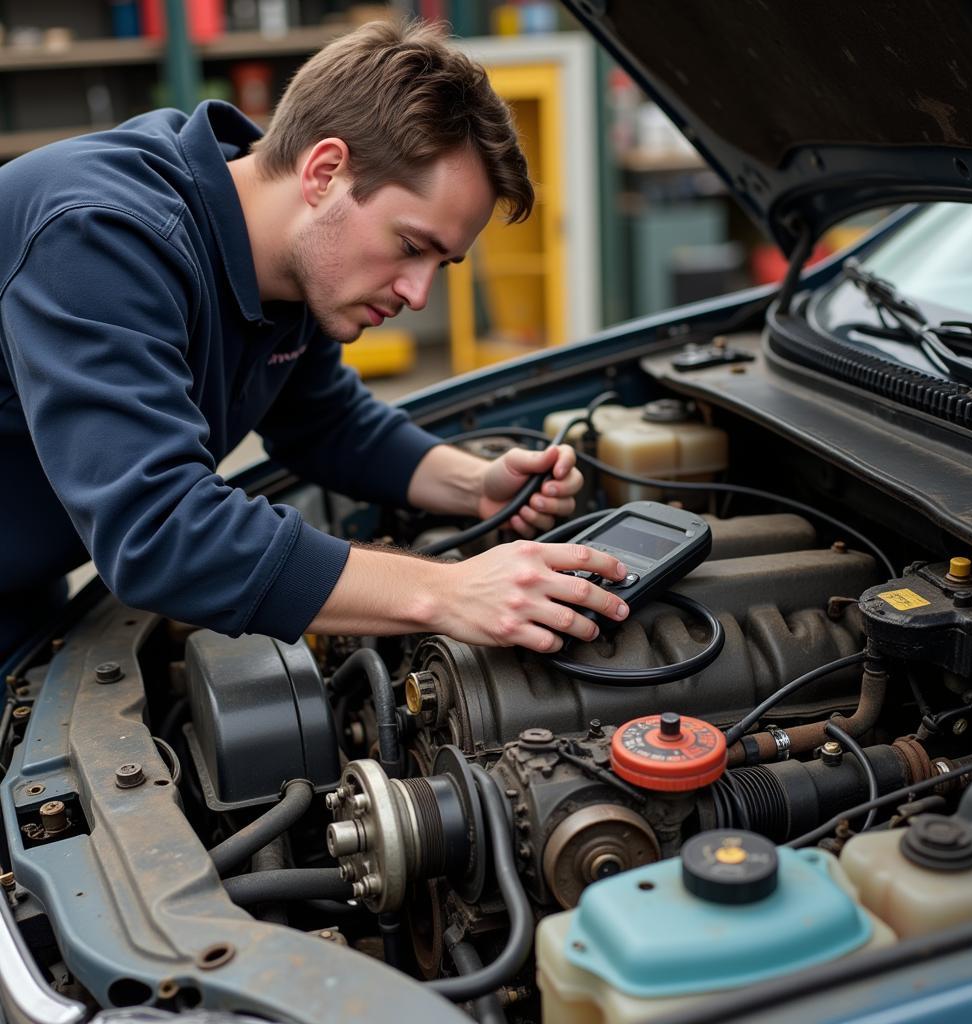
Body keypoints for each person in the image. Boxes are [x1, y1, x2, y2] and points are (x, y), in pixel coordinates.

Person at [0, 19, 630, 666]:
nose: (417, 294)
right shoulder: (98, 237)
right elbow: (163, 536)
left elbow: (328, 424)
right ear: (325, 171)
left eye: (440, 265)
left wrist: (476, 487)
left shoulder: (284, 261)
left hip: (28, 589)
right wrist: (450, 591)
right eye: (411, 247)